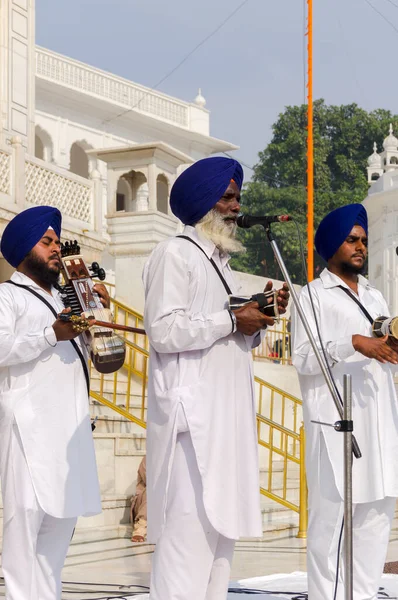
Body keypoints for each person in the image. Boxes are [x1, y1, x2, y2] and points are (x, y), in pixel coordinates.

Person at [143, 156, 290, 600]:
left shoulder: (219, 264)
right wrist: (232, 320)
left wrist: (255, 315)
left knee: (219, 548)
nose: (235, 206)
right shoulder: (176, 253)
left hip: (225, 422)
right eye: (226, 197)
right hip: (194, 424)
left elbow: (221, 329)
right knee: (187, 546)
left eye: (237, 198)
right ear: (204, 203)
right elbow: (164, 329)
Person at [0, 206, 109, 600]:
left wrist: (98, 311)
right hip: (28, 429)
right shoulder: (7, 296)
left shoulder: (68, 301)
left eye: (58, 244)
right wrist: (51, 334)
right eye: (47, 242)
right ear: (22, 248)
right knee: (23, 531)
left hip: (67, 431)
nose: (56, 250)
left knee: (57, 535)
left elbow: (107, 360)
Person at [291, 204, 398, 600]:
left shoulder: (376, 295)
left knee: (375, 521)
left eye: (364, 241)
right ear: (332, 244)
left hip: (380, 423)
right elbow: (301, 356)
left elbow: (385, 348)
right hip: (335, 423)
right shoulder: (312, 297)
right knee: (330, 527)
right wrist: (353, 342)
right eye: (352, 240)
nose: (360, 247)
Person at [130, 455, 147, 543]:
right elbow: (151, 480)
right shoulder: (149, 458)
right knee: (153, 490)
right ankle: (140, 527)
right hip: (143, 503)